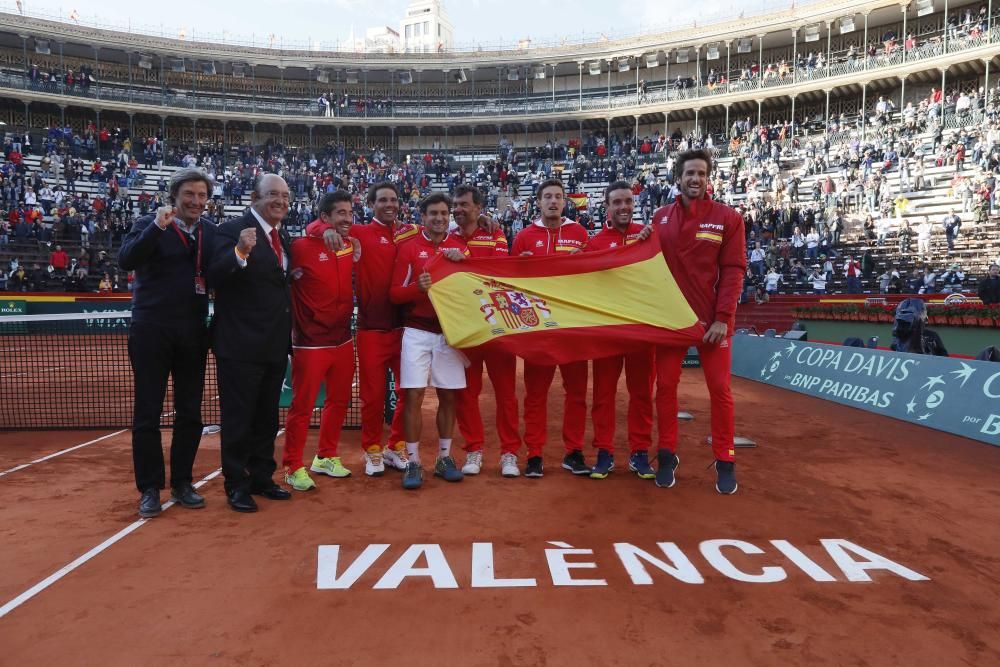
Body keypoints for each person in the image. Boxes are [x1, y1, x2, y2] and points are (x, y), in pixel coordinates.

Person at [117, 167, 217, 519]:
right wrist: (157, 227)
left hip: (192, 331)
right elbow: (126, 259)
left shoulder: (209, 231)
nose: (196, 201)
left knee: (191, 412)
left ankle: (182, 482)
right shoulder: (150, 223)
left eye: (202, 195)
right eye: (189, 194)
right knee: (147, 413)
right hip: (151, 329)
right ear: (174, 196)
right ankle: (149, 488)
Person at [651, 149, 746, 494]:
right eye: (689, 173)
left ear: (708, 179)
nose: (695, 179)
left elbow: (734, 270)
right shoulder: (660, 218)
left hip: (712, 324)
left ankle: (725, 458)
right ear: (678, 177)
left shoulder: (727, 218)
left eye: (701, 174)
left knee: (720, 390)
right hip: (671, 322)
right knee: (665, 388)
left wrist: (723, 318)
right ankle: (666, 455)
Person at [310, 182, 416, 476]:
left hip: (407, 330)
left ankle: (395, 446)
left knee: (409, 392)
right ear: (371, 204)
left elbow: (443, 234)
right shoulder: (358, 232)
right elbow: (314, 226)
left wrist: (485, 222)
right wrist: (325, 230)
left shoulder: (411, 232)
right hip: (372, 328)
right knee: (373, 395)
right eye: (382, 200)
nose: (389, 204)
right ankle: (372, 450)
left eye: (394, 199)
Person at [207, 174, 294, 513]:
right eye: (273, 194)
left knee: (266, 419)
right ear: (254, 197)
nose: (281, 201)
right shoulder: (231, 230)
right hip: (240, 345)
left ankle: (261, 477)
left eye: (285, 196)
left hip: (273, 344)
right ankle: (236, 484)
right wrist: (240, 252)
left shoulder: (280, 237)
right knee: (238, 419)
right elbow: (214, 275)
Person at [389, 193, 470, 490]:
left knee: (449, 396)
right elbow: (395, 294)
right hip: (417, 332)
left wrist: (464, 264)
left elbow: (472, 292)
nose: (439, 218)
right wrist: (416, 289)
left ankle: (444, 458)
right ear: (422, 217)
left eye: (443, 213)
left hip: (450, 333)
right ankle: (412, 462)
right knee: (413, 396)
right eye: (433, 213)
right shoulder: (409, 248)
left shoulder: (460, 247)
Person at [511, 178, 590, 479]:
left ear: (565, 201)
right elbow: (509, 282)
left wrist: (583, 262)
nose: (553, 201)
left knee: (577, 393)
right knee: (535, 395)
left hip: (572, 328)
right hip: (538, 329)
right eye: (548, 197)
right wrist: (521, 266)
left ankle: (574, 451)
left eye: (558, 196)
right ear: (539, 202)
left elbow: (594, 278)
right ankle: (534, 455)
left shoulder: (580, 234)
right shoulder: (524, 237)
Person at [281, 191, 357, 492]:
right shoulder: (299, 247)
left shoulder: (350, 244)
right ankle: (293, 466)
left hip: (342, 338)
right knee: (303, 406)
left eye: (350, 213)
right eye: (340, 213)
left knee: (338, 401)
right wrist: (318, 229)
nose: (348, 219)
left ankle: (325, 456)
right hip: (310, 341)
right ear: (324, 217)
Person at [448, 184, 522, 477]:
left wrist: (464, 262)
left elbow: (498, 271)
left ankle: (509, 453)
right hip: (463, 327)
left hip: (496, 325)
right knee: (467, 393)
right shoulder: (445, 236)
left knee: (506, 393)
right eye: (456, 204)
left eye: (464, 204)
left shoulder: (495, 233)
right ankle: (474, 449)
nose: (458, 209)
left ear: (479, 208)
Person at [584, 181, 656, 480]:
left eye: (628, 201)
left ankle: (640, 453)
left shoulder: (649, 236)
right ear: (608, 207)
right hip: (608, 331)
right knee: (603, 395)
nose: (624, 207)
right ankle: (605, 452)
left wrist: (646, 244)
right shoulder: (596, 243)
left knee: (641, 393)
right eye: (617, 202)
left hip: (641, 329)